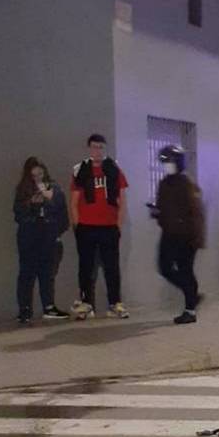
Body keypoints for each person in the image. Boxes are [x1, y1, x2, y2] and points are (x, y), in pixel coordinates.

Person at [70, 133, 129, 320]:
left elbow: (121, 200)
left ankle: (115, 304)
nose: (97, 151)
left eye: (101, 147)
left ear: (105, 149)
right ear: (89, 148)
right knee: (86, 268)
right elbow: (73, 202)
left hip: (109, 227)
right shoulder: (80, 170)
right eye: (94, 147)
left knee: (112, 267)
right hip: (86, 227)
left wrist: (118, 225)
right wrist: (77, 225)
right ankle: (86, 304)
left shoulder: (114, 169)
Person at [151, 145, 205, 325]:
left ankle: (190, 309)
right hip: (169, 233)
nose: (167, 165)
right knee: (164, 267)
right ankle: (192, 295)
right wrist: (157, 213)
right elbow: (163, 208)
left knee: (185, 270)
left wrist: (197, 238)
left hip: (186, 236)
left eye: (170, 162)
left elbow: (197, 213)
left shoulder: (187, 184)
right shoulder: (164, 183)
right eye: (164, 162)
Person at [13, 157, 70, 324]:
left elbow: (62, 214)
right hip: (29, 235)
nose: (38, 177)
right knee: (26, 273)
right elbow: (18, 214)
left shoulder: (55, 188)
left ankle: (49, 307)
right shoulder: (23, 190)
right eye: (34, 175)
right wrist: (31, 204)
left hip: (49, 235)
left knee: (48, 273)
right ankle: (24, 310)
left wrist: (56, 232)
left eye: (40, 173)